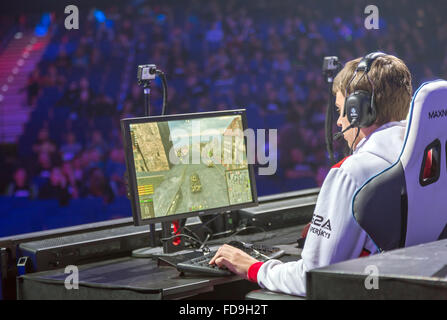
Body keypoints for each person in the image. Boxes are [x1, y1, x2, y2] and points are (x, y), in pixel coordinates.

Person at [209, 53, 413, 296]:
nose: (339, 122)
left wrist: (253, 267)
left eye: (341, 111)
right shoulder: (421, 157)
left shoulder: (351, 173)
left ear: (361, 112)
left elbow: (312, 277)